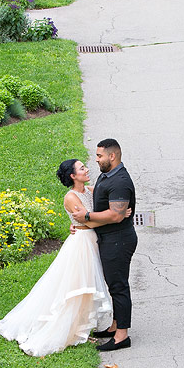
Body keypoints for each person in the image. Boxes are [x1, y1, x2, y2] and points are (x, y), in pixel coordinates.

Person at [0, 159, 114, 357]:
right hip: (82, 244)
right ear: (72, 176)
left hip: (92, 241)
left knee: (88, 285)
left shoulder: (91, 191)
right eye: (81, 168)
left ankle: (81, 325)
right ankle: (67, 328)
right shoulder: (70, 197)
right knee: (75, 287)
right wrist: (114, 218)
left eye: (85, 166)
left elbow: (95, 214)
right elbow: (90, 223)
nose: (86, 170)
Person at [69, 138, 136, 352]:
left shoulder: (120, 181)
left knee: (119, 286)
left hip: (118, 240)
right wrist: (79, 225)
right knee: (113, 284)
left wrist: (87, 216)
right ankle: (115, 326)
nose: (96, 160)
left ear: (112, 156)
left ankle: (121, 336)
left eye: (99, 156)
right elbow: (105, 204)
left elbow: (115, 216)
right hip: (109, 239)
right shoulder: (109, 175)